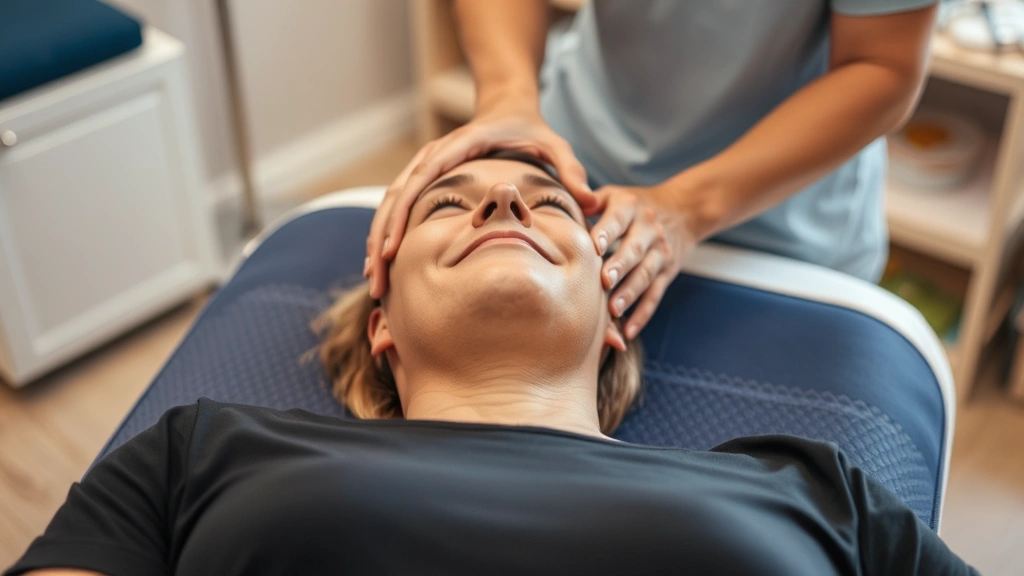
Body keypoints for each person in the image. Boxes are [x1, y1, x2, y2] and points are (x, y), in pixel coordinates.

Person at [7, 155, 976, 576]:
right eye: (446, 205)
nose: (505, 205)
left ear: (613, 318)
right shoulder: (197, 453)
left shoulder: (819, 492)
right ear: (382, 326)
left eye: (548, 205)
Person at [365, 0, 938, 343]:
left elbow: (884, 64)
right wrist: (507, 97)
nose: (506, 201)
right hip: (580, 159)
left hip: (781, 216)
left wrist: (688, 207)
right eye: (447, 204)